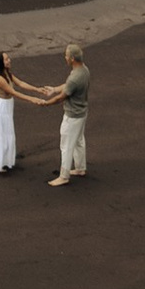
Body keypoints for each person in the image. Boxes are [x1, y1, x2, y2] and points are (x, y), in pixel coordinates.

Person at [48, 40, 91, 190]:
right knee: (79, 140)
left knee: (66, 145)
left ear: (72, 58)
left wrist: (47, 103)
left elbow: (63, 96)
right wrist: (54, 89)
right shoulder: (84, 70)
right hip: (82, 113)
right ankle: (80, 167)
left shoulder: (75, 77)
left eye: (66, 56)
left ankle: (63, 176)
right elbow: (67, 86)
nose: (65, 58)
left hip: (72, 116)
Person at [0, 49, 28, 175]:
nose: (9, 60)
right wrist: (34, 100)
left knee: (6, 133)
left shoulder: (6, 73)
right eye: (6, 59)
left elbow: (21, 83)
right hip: (1, 108)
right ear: (0, 63)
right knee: (2, 135)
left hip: (7, 106)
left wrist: (38, 90)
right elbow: (14, 92)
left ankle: (3, 160)